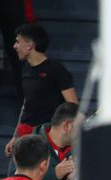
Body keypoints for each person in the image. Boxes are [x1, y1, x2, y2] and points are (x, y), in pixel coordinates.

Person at [5, 23, 78, 160]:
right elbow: (26, 104)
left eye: (17, 41)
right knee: (16, 178)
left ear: (29, 45)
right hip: (24, 137)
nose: (15, 46)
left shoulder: (56, 69)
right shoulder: (25, 69)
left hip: (45, 139)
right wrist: (15, 137)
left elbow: (73, 105)